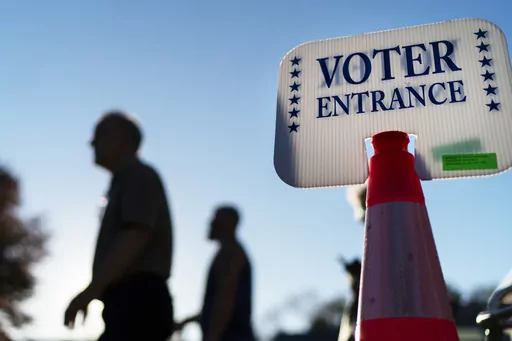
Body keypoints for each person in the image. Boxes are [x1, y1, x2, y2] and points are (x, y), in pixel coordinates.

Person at [64, 110, 174, 341]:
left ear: (124, 139)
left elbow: (136, 233)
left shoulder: (139, 176)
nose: (92, 142)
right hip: (129, 304)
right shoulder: (125, 181)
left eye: (100, 134)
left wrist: (91, 291)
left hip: (138, 303)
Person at [175, 205, 255, 341]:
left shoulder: (232, 253)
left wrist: (213, 336)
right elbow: (216, 305)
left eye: (216, 219)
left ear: (230, 223)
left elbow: (225, 298)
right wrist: (188, 321)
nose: (210, 223)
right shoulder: (227, 252)